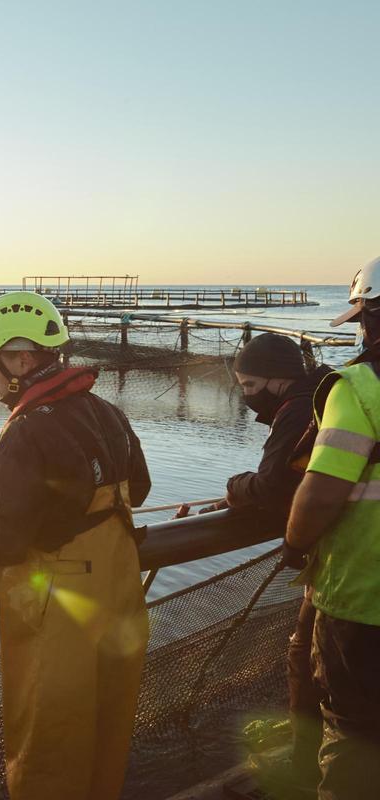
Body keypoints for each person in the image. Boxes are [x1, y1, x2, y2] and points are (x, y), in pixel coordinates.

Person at [0, 290, 151, 800]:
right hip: (119, 593)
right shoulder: (108, 413)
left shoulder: (23, 433)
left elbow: (2, 538)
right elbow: (137, 489)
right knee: (106, 725)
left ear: (21, 358)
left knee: (47, 740)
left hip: (58, 603)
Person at [197, 333, 331, 794]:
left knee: (306, 656)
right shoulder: (323, 394)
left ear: (278, 378)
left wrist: (235, 487)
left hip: (343, 564)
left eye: (250, 384)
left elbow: (275, 488)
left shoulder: (297, 408)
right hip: (346, 558)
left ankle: (307, 765)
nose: (247, 394)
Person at [284, 256, 380, 799]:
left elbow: (319, 492)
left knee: (354, 733)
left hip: (364, 602)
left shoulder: (360, 387)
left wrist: (295, 546)